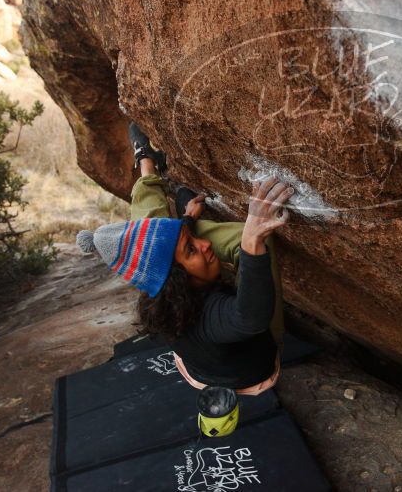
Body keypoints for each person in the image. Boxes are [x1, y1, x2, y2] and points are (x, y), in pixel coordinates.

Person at [76, 122, 291, 395]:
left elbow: (168, 256)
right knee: (250, 242)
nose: (204, 245)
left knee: (153, 237)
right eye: (191, 249)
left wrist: (187, 220)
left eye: (192, 240)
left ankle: (146, 162)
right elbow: (250, 318)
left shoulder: (162, 296)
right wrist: (252, 237)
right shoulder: (209, 317)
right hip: (254, 371)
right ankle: (173, 219)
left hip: (197, 366)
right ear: (178, 279)